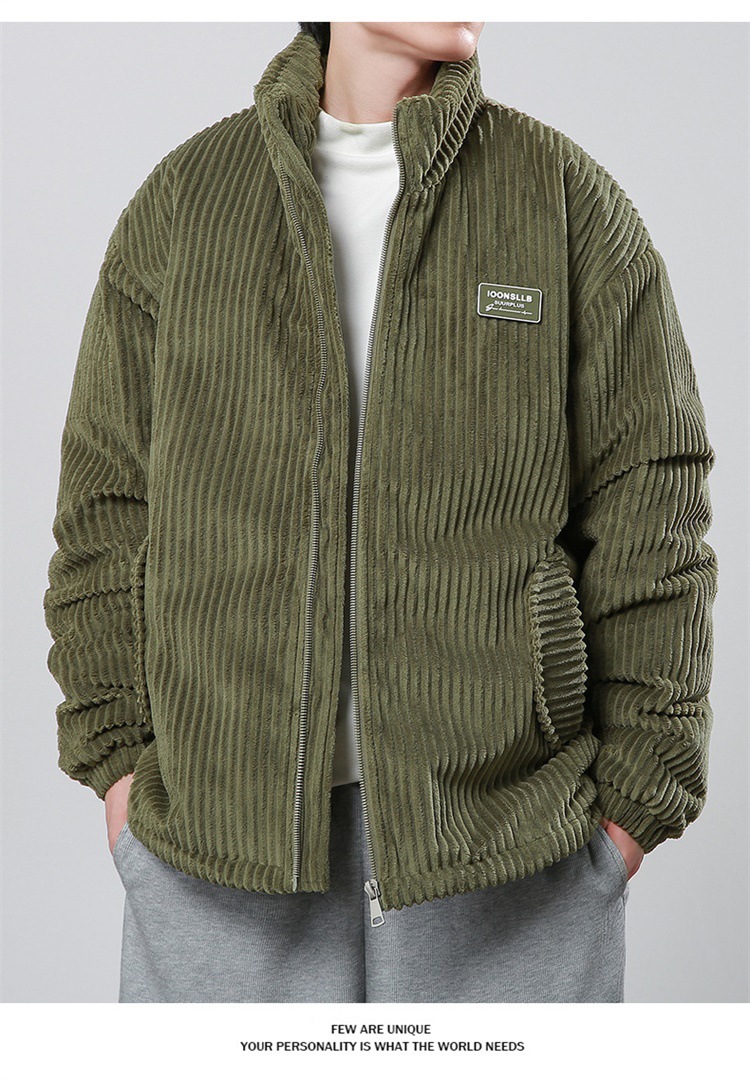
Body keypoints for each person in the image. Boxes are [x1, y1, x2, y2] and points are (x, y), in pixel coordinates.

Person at [43, 21, 718, 1004]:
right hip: (215, 848)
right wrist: (119, 772)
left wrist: (633, 807)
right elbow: (106, 509)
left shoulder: (564, 199)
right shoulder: (188, 203)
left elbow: (652, 507)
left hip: (510, 854)